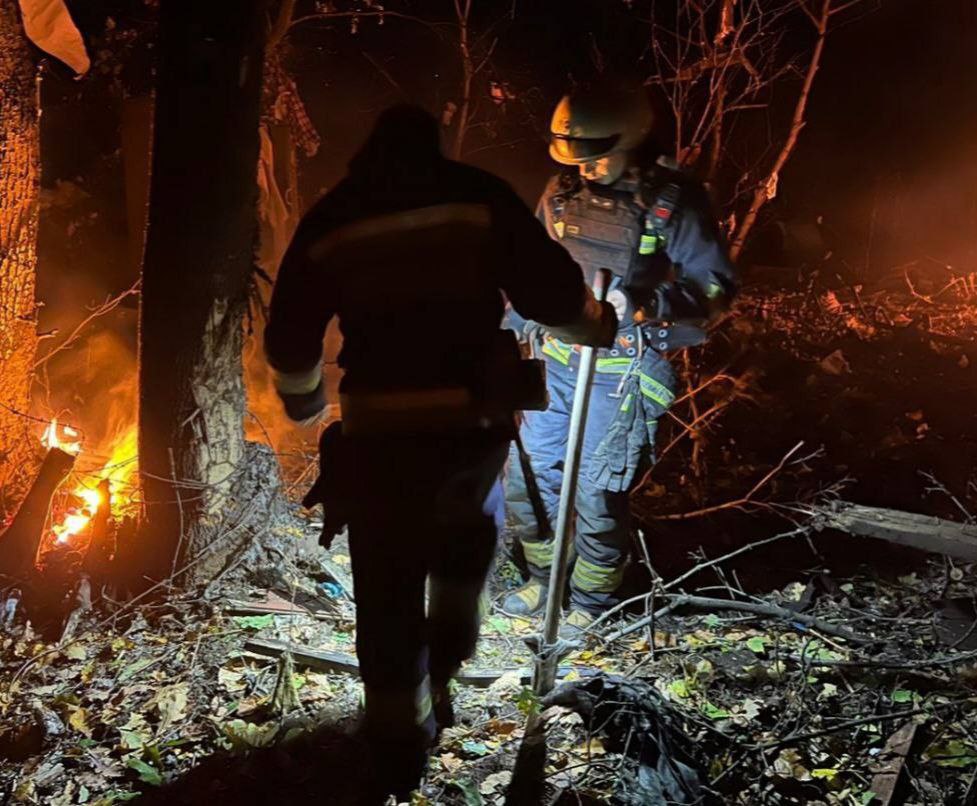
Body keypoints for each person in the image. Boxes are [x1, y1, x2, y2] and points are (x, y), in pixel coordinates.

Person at [264, 104, 617, 802]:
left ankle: (399, 744)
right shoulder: (476, 196)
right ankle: (445, 672)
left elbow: (289, 336)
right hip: (468, 428)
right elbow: (548, 289)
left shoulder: (334, 216)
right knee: (462, 554)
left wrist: (305, 405)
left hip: (376, 436)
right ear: (434, 147)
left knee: (386, 583)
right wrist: (596, 323)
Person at [503, 82, 738, 636]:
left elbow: (716, 289)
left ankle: (589, 601)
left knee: (598, 492)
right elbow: (529, 276)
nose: (585, 170)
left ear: (630, 140)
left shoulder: (671, 203)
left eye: (596, 157)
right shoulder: (560, 195)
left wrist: (645, 304)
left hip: (624, 373)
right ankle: (545, 580)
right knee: (527, 476)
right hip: (554, 363)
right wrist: (503, 332)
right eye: (575, 159)